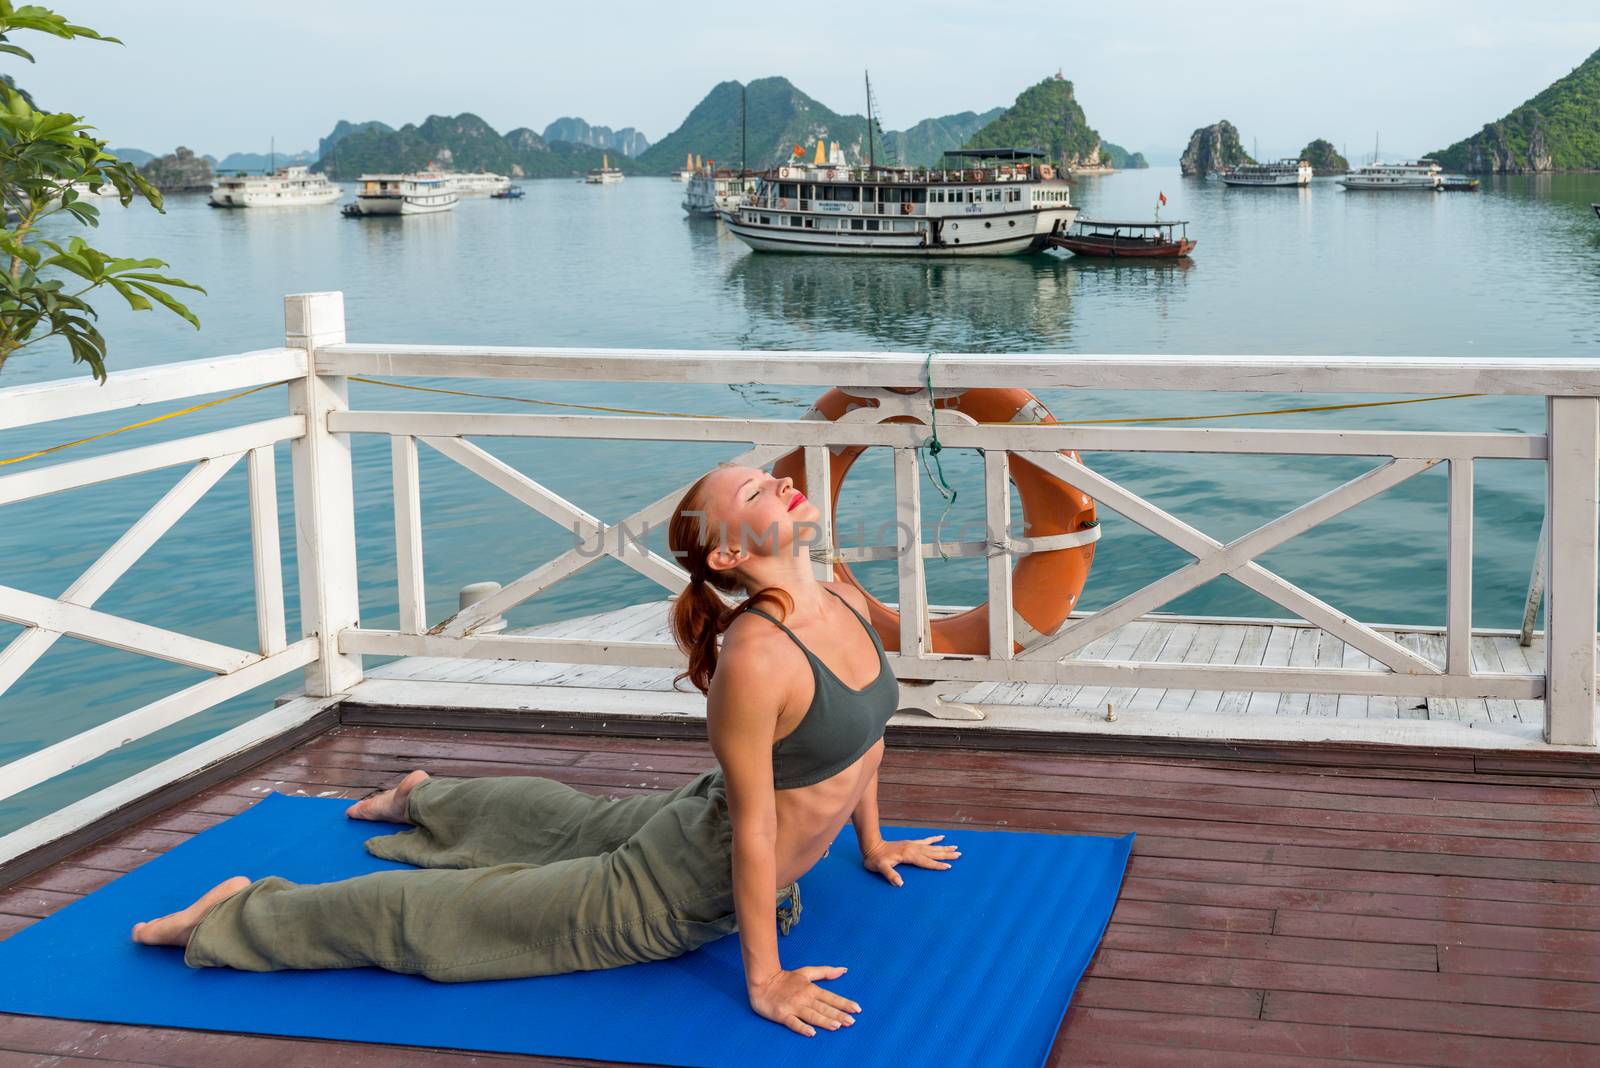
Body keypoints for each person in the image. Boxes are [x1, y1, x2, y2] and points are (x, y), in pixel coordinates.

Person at [130, 462, 959, 1037]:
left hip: (693, 822)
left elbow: (865, 743)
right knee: (451, 926)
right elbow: (755, 834)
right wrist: (765, 977)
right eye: (755, 487)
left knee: (572, 822)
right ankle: (238, 913)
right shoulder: (757, 657)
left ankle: (425, 796)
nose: (780, 479)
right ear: (731, 554)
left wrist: (875, 839)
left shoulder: (844, 597)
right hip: (680, 888)